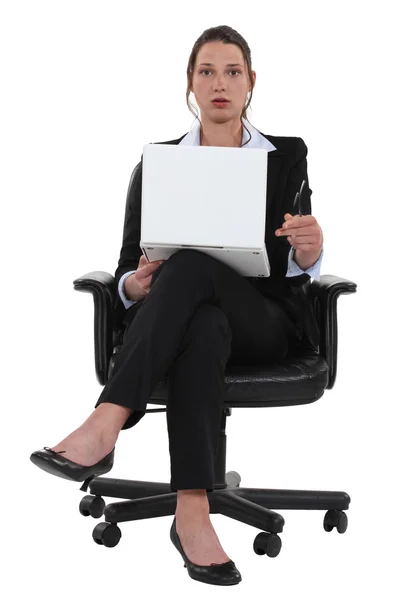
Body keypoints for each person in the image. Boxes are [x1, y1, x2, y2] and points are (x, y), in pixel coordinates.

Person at [30, 25, 324, 586]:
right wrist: (133, 287)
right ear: (190, 84)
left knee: (191, 266)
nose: (220, 83)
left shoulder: (285, 157)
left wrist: (309, 254)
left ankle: (107, 420)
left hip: (262, 322)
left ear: (251, 82)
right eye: (207, 71)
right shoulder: (158, 163)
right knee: (203, 323)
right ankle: (193, 512)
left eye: (232, 72)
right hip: (185, 324)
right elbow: (124, 269)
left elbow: (297, 252)